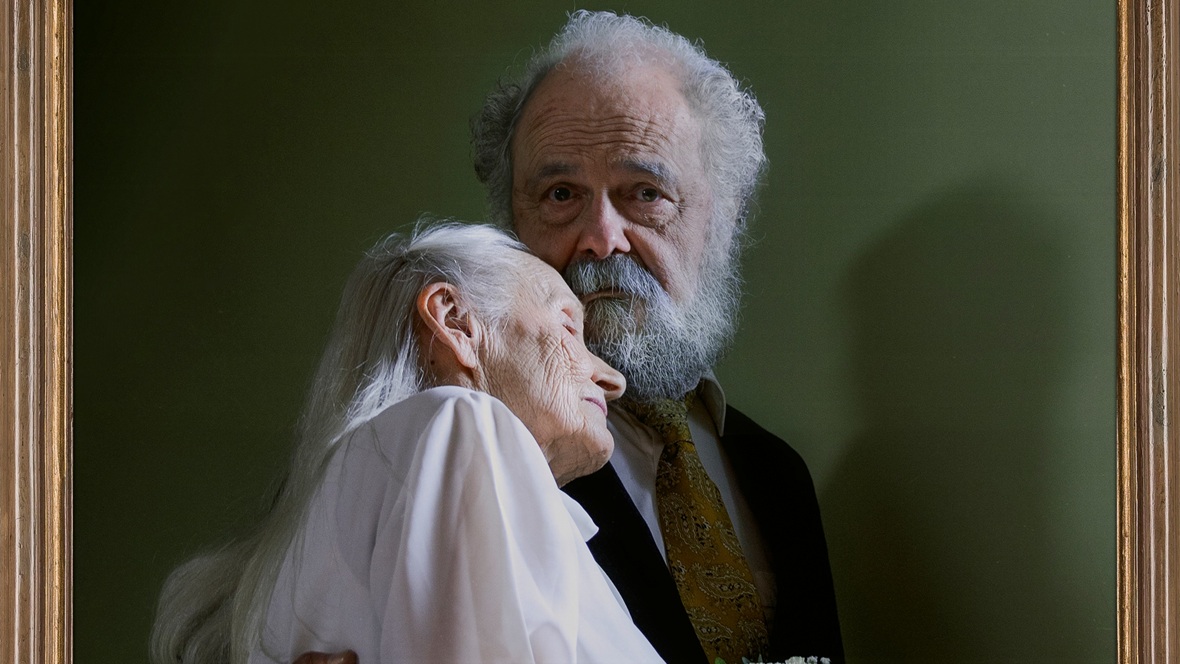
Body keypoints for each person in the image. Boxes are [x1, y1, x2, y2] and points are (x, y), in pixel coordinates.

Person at [470, 11, 845, 663]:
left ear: (725, 215)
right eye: (560, 194)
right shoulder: (465, 460)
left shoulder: (778, 474)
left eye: (644, 193)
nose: (601, 237)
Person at [150, 222, 665, 664]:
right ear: (455, 321)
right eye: (569, 329)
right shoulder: (458, 423)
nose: (612, 379)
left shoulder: (390, 474)